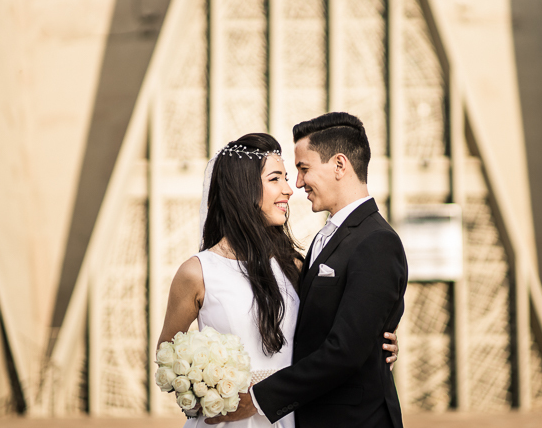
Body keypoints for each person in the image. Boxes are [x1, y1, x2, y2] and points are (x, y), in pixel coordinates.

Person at [157, 132, 397, 428]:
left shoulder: (294, 265)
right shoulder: (196, 273)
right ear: (242, 187)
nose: (289, 189)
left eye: (287, 177)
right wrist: (204, 392)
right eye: (275, 179)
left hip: (290, 417)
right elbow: (168, 355)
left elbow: (337, 339)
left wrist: (375, 342)